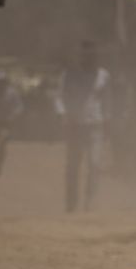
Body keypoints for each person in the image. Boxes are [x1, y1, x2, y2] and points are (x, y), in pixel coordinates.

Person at [57, 40, 112, 212]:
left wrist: (108, 120)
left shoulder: (103, 75)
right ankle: (71, 204)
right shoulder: (69, 74)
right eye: (85, 55)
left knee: (94, 165)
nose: (89, 58)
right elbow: (59, 96)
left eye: (92, 55)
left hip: (95, 126)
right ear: (80, 55)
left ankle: (90, 203)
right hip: (75, 126)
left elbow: (108, 100)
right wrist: (62, 114)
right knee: (73, 165)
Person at [0, 72, 24, 176]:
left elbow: (19, 106)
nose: (0, 84)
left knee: (2, 144)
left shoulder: (12, 93)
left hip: (5, 123)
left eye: (2, 82)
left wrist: (14, 115)